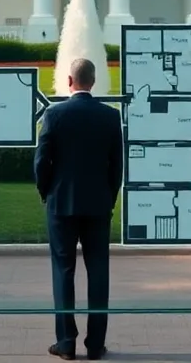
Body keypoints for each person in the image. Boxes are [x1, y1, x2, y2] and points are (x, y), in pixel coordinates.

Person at [33, 57, 124, 361]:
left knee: (63, 270)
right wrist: (108, 198)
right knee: (98, 272)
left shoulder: (55, 114)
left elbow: (41, 160)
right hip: (98, 205)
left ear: (69, 81)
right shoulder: (110, 117)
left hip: (62, 204)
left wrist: (46, 192)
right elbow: (117, 168)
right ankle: (96, 345)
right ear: (93, 82)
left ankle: (66, 342)